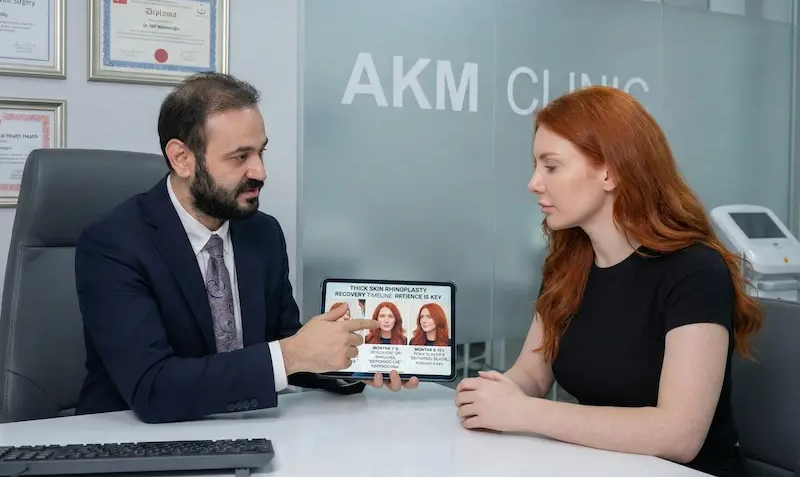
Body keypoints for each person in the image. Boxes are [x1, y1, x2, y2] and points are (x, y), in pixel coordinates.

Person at [74, 72, 416, 424]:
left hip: (249, 434)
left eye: (261, 152)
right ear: (181, 158)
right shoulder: (112, 243)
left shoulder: (262, 233)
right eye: (240, 157)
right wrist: (293, 353)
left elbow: (286, 347)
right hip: (133, 445)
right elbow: (154, 388)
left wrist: (352, 362)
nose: (261, 171)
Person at [454, 86, 762, 477]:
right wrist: (492, 394)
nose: (534, 183)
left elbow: (678, 435)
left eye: (551, 166)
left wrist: (526, 412)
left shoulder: (695, 270)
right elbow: (532, 374)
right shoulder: (568, 263)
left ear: (610, 172)